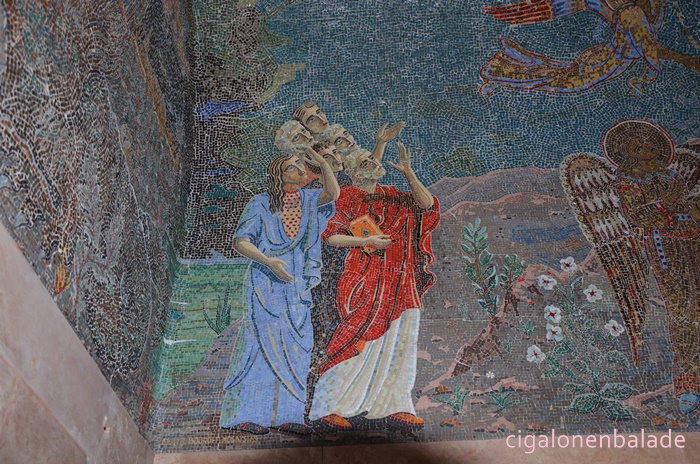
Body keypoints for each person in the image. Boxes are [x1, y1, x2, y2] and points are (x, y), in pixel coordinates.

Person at [307, 143, 440, 431]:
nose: (375, 163)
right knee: (357, 336)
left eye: (373, 159)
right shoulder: (348, 197)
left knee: (403, 338)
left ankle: (394, 404)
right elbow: (331, 236)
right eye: (368, 161)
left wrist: (408, 172)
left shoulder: (393, 195)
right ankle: (328, 406)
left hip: (401, 278)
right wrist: (365, 241)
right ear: (355, 172)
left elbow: (427, 205)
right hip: (367, 276)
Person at [219, 148, 339, 435]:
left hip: (296, 283)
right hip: (265, 280)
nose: (300, 169)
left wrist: (323, 163)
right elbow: (241, 241)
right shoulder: (260, 203)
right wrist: (268, 261)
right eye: (292, 167)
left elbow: (332, 193)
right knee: (258, 345)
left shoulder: (309, 200)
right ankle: (245, 414)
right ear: (279, 176)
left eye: (300, 165)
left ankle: (289, 414)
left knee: (297, 346)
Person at [605, 120, 700, 414]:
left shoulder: (670, 174)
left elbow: (688, 206)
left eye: (647, 143)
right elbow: (638, 215)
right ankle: (689, 382)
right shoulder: (628, 180)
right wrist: (668, 206)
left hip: (695, 239)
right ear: (626, 154)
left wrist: (689, 206)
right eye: (636, 147)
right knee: (684, 312)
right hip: (666, 249)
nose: (644, 148)